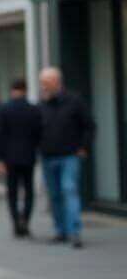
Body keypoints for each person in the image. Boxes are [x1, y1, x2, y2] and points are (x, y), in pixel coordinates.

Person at [38, 67, 95, 248]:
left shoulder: (74, 101)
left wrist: (84, 147)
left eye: (46, 83)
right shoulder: (41, 105)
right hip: (48, 157)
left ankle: (74, 231)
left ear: (57, 82)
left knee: (68, 190)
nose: (43, 87)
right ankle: (60, 230)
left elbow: (89, 125)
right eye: (42, 83)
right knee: (54, 195)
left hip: (69, 155)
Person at [0, 79, 42, 238]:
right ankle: (25, 221)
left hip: (10, 157)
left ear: (12, 90)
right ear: (26, 90)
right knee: (28, 190)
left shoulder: (3, 109)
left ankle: (16, 223)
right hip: (28, 155)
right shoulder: (34, 109)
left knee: (12, 191)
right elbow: (39, 133)